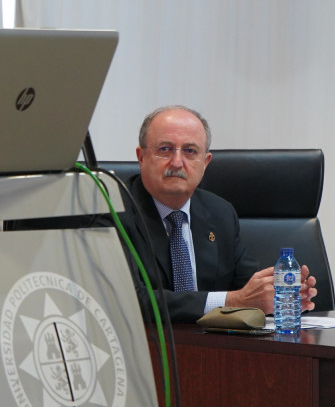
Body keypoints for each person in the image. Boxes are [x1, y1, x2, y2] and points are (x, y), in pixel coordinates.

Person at [118, 106, 316, 323]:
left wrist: (278, 295)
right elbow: (129, 301)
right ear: (141, 157)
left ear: (205, 162)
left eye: (190, 151)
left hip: (215, 350)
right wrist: (233, 301)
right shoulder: (112, 212)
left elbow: (246, 288)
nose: (176, 162)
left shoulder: (219, 213)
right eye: (165, 149)